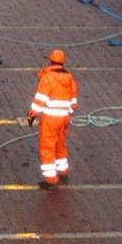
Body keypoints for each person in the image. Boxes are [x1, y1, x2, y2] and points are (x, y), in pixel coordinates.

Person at [27, 49, 79, 189]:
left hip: (50, 119)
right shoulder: (69, 78)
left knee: (47, 147)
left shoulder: (47, 78)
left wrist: (32, 115)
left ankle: (50, 179)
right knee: (60, 145)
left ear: (50, 60)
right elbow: (73, 101)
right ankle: (62, 170)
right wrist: (68, 111)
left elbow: (40, 100)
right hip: (64, 118)